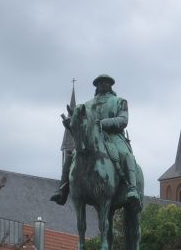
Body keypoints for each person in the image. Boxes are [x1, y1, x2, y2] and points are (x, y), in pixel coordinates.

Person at [50, 74, 140, 208]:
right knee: (72, 156)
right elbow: (79, 123)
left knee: (126, 155)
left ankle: (132, 189)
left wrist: (102, 123)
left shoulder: (120, 101)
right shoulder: (87, 105)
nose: (103, 84)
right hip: (92, 138)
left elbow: (123, 120)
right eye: (100, 83)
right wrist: (70, 124)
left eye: (106, 82)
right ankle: (62, 189)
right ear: (96, 86)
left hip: (114, 136)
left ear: (110, 85)